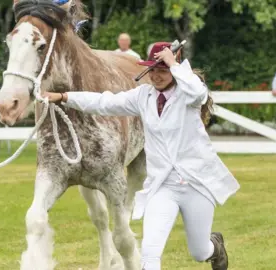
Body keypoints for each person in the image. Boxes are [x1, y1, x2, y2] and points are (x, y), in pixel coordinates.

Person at [43, 42, 240, 270]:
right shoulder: (143, 96)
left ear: (174, 71)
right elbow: (104, 102)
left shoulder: (188, 95)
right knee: (149, 254)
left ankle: (214, 247)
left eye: (162, 70)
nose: (156, 76)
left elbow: (199, 93)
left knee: (199, 252)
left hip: (197, 183)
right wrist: (64, 97)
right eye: (153, 70)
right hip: (162, 186)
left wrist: (174, 64)